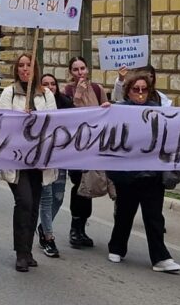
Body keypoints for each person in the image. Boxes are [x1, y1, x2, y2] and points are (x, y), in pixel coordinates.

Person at [107, 74, 180, 273]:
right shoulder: (118, 110)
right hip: (127, 175)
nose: (140, 93)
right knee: (124, 214)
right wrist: (103, 112)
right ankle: (117, 247)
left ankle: (160, 258)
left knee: (154, 217)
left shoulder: (158, 111)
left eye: (144, 89)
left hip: (152, 175)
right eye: (135, 89)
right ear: (127, 91)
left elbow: (174, 126)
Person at [0, 53, 57, 272]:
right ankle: (20, 253)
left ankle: (28, 250)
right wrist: (19, 120)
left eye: (28, 65)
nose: (24, 69)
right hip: (17, 160)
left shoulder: (46, 94)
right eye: (20, 65)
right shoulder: (9, 93)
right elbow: (1, 123)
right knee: (24, 202)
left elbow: (53, 123)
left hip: (39, 161)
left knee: (33, 207)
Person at [62, 56, 108, 249]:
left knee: (89, 185)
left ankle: (82, 227)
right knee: (79, 184)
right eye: (75, 69)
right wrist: (78, 93)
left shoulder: (97, 89)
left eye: (82, 68)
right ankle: (75, 226)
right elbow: (72, 114)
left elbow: (107, 112)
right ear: (71, 72)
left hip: (94, 143)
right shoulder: (68, 90)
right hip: (77, 145)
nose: (80, 72)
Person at [38, 72, 71, 258]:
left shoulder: (65, 103)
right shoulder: (36, 102)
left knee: (58, 197)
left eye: (53, 84)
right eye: (45, 84)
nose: (50, 87)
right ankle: (48, 237)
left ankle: (43, 226)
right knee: (47, 197)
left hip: (61, 157)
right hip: (43, 158)